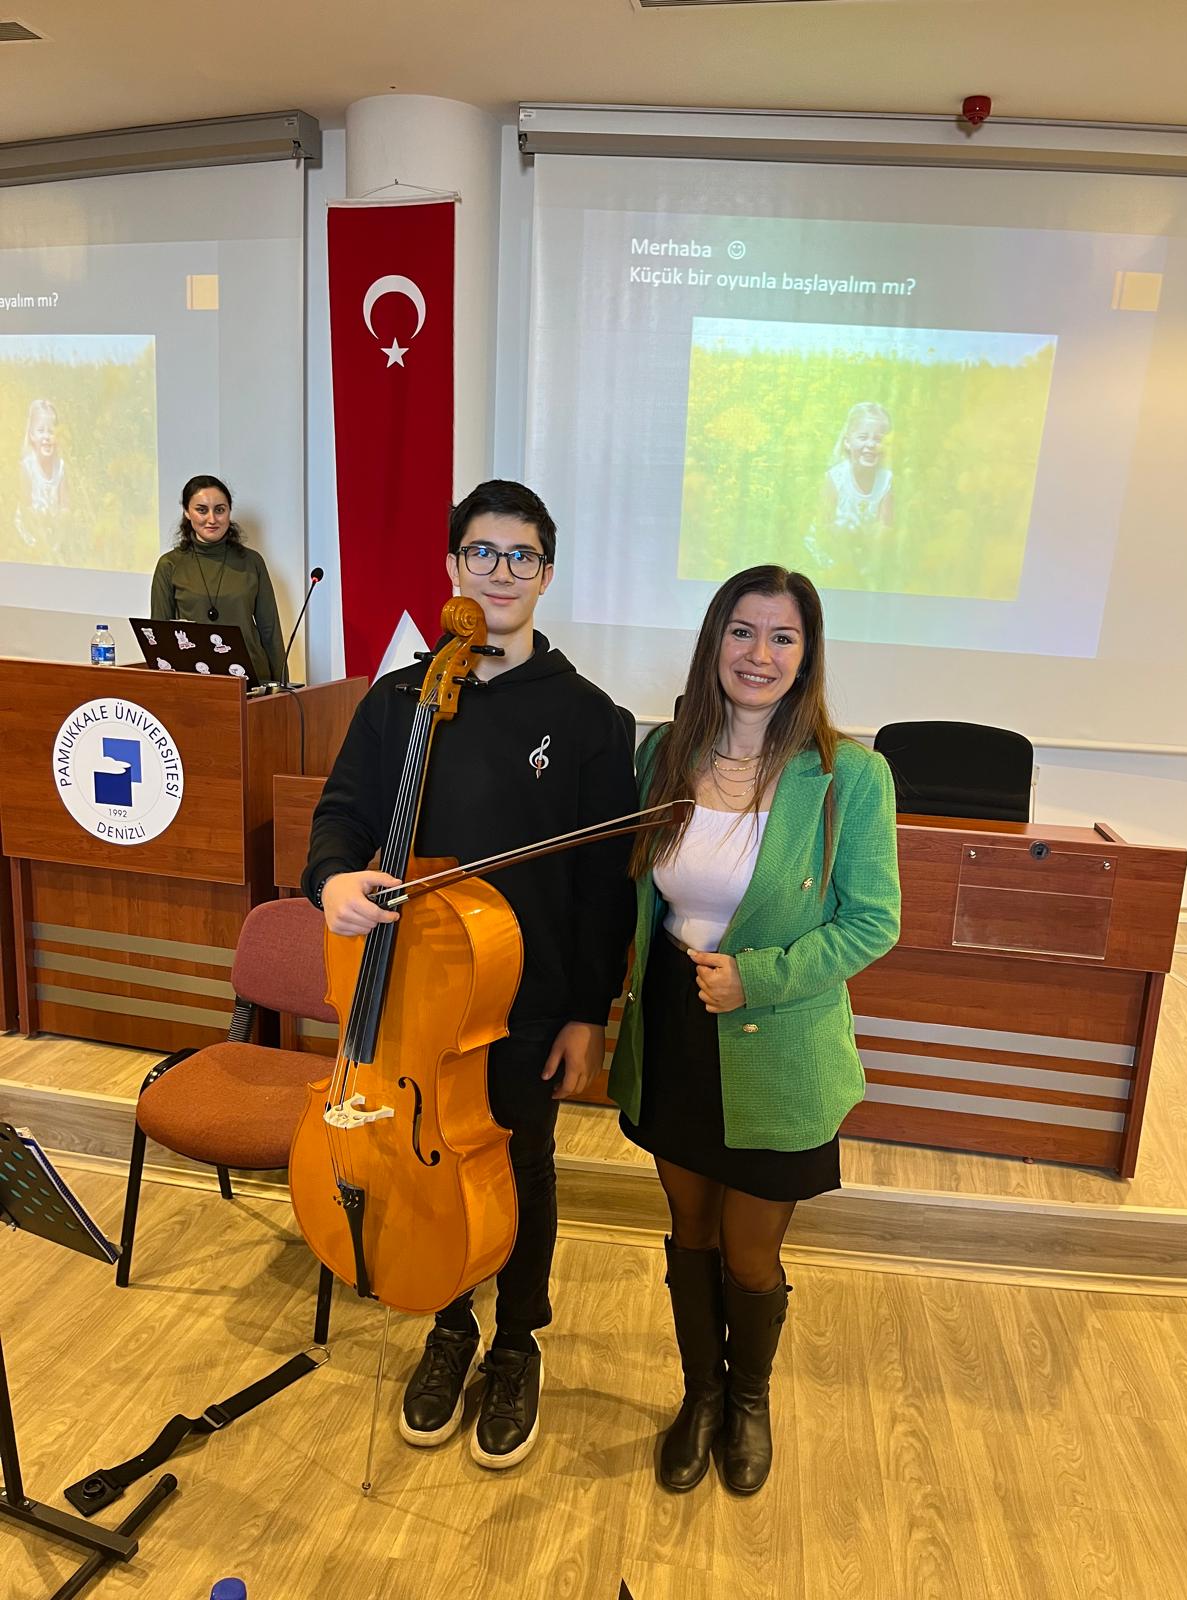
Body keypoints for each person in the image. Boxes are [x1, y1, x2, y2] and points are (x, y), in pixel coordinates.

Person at [301, 479, 637, 1470]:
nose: (500, 571)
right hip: (413, 999)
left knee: (519, 1168)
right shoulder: (398, 699)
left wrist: (588, 1012)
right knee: (430, 1166)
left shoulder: (588, 718)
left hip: (525, 1003)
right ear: (453, 566)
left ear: (546, 574)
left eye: (521, 555)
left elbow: (602, 886)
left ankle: (517, 1341)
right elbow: (343, 815)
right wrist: (332, 880)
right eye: (482, 552)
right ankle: (449, 1325)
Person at [609, 564, 900, 1495]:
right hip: (675, 1029)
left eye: (783, 637)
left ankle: (749, 1399)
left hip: (774, 1038)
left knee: (749, 1249)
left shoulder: (850, 775)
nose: (759, 654)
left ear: (806, 656)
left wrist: (758, 979)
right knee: (688, 1228)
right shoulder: (665, 752)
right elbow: (635, 892)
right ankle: (699, 1394)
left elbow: (873, 921)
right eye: (742, 631)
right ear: (714, 642)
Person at [150, 476, 285, 685]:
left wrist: (283, 688)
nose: (212, 519)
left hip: (252, 681)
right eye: (202, 510)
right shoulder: (169, 565)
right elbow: (160, 637)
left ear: (229, 511)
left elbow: (270, 632)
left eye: (220, 510)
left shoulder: (252, 562)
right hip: (194, 681)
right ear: (187, 512)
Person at [822, 401, 894, 533]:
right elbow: (824, 524)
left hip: (867, 543)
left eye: (878, 439)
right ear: (847, 442)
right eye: (863, 438)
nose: (871, 444)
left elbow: (886, 527)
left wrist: (868, 536)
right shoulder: (836, 477)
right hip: (834, 542)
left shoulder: (885, 480)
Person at [15, 398, 70, 553]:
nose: (46, 436)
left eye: (51, 432)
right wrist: (40, 523)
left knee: (55, 554)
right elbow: (25, 507)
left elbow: (65, 505)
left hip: (53, 528)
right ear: (32, 435)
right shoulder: (27, 467)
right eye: (41, 431)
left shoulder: (60, 467)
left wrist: (58, 522)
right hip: (30, 529)